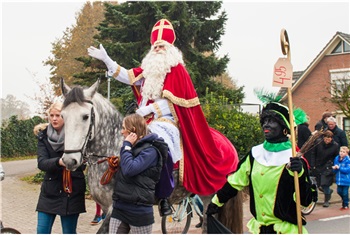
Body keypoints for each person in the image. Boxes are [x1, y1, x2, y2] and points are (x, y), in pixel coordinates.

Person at [88, 19, 238, 215]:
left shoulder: (176, 69)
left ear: (170, 48)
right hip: (142, 121)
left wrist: (148, 111)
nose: (158, 49)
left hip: (167, 121)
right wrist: (107, 60)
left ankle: (165, 194)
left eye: (162, 45)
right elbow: (127, 76)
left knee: (160, 143)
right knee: (120, 140)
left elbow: (175, 102)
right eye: (155, 45)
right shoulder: (149, 70)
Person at [206, 101, 314, 234]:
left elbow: (306, 201)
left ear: (284, 128)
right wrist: (216, 202)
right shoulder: (254, 154)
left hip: (285, 231)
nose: (266, 125)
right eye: (264, 120)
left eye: (272, 121)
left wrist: (301, 174)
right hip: (259, 230)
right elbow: (235, 182)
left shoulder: (294, 159)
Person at [35, 102, 86, 234]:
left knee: (69, 232)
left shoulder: (78, 135)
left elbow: (83, 161)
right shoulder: (43, 137)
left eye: (58, 115)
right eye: (51, 115)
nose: (54, 118)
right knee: (42, 231)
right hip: (50, 192)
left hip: (72, 191)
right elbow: (42, 163)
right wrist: (59, 162)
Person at [109, 113, 164, 234]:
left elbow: (130, 169)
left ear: (133, 131)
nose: (121, 132)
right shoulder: (130, 148)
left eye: (124, 128)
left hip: (139, 212)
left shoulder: (151, 151)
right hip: (119, 208)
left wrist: (127, 147)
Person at [311, 130, 339, 207]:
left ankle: (326, 200)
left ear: (331, 139)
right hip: (318, 165)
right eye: (325, 139)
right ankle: (329, 192)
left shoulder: (335, 146)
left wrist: (333, 165)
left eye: (328, 139)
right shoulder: (318, 143)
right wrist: (312, 164)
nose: (327, 140)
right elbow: (313, 154)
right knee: (319, 184)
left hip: (328, 166)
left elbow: (336, 157)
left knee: (325, 183)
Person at [332, 146, 350, 210]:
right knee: (339, 191)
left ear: (346, 153)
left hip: (346, 179)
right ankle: (345, 199)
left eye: (343, 152)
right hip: (339, 179)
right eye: (341, 151)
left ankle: (345, 204)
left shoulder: (348, 160)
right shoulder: (336, 158)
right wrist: (334, 168)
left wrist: (339, 167)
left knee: (345, 192)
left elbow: (347, 170)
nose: (341, 153)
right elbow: (335, 169)